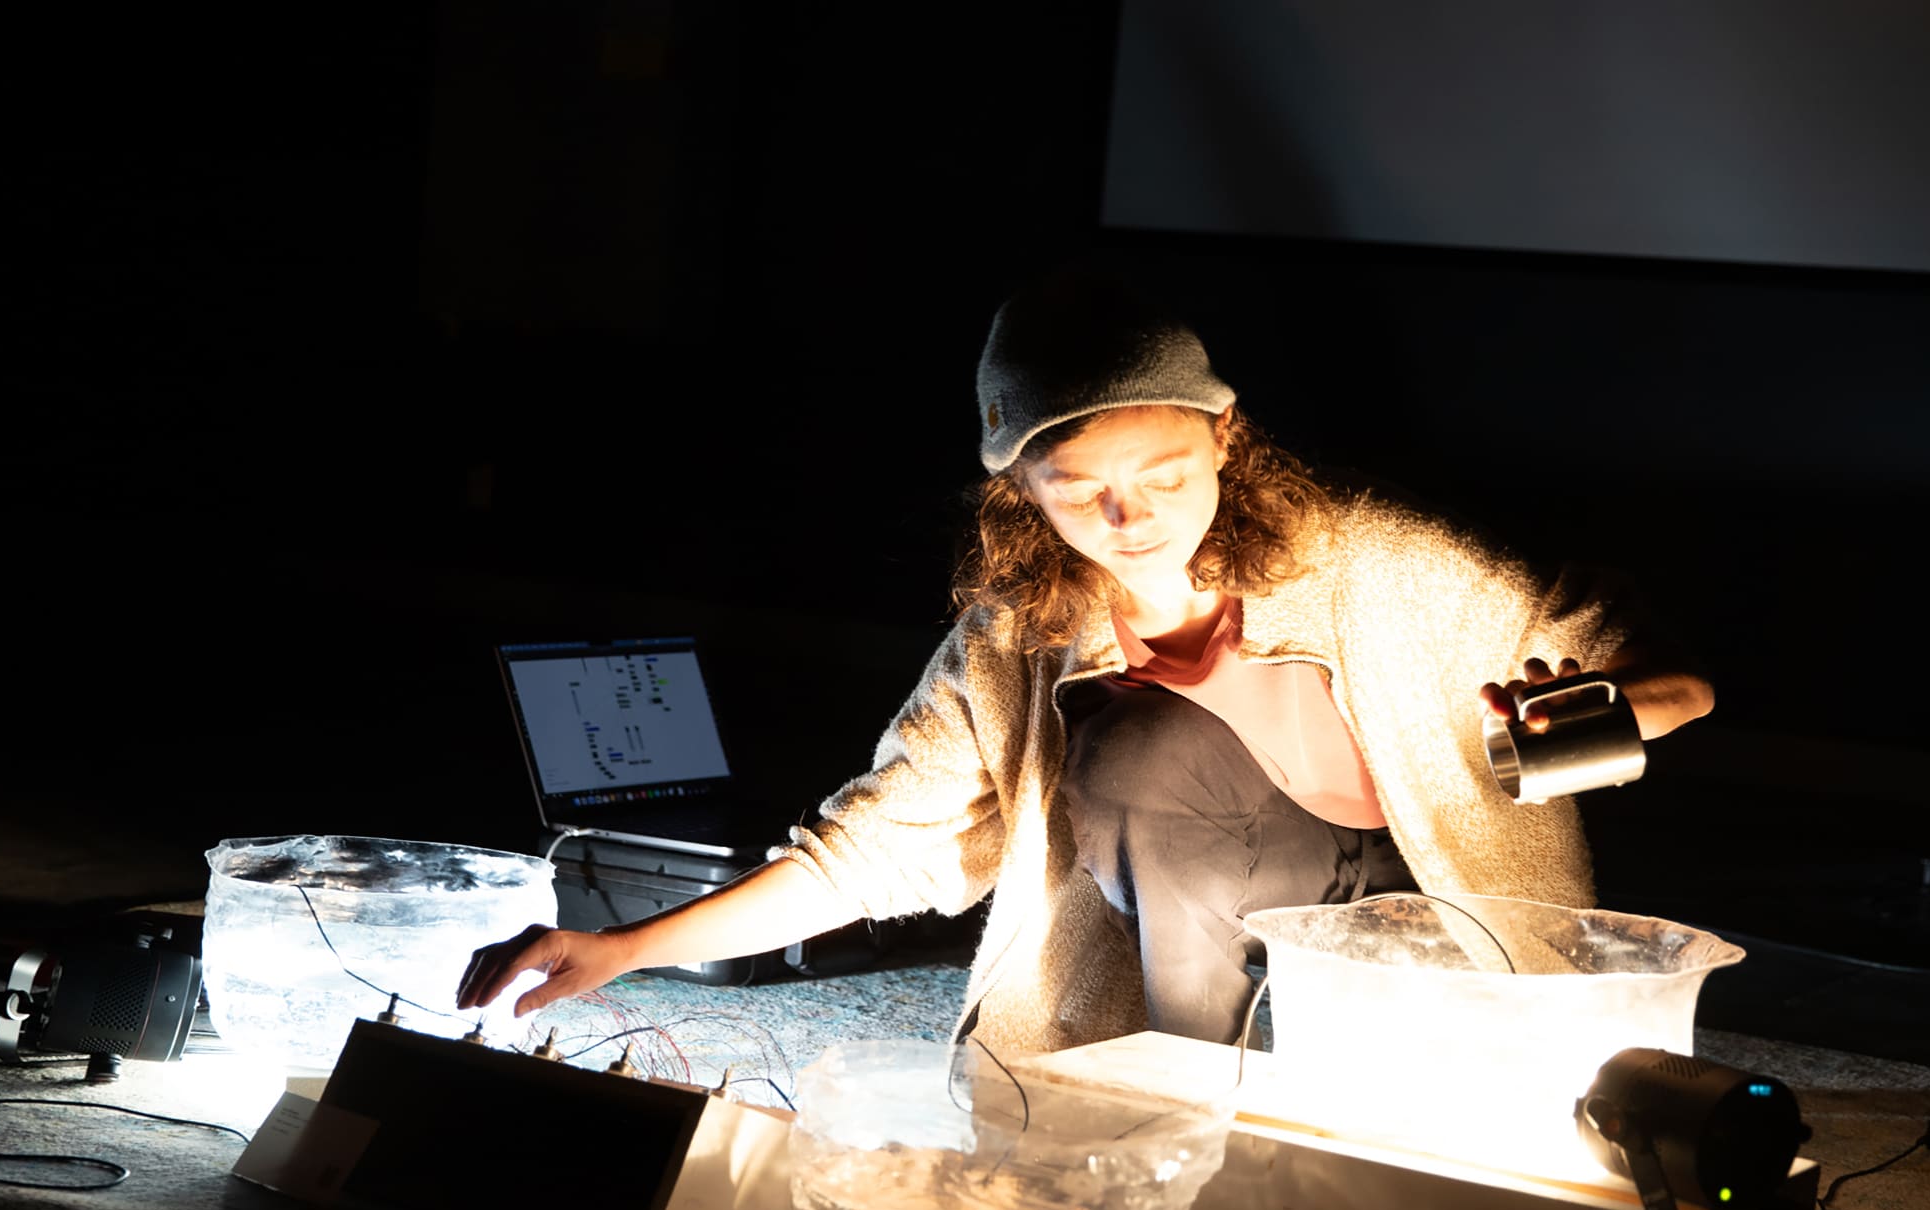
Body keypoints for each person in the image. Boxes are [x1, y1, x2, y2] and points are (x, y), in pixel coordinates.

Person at [456, 270, 1714, 1054]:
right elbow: (880, 843)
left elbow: (1674, 680)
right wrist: (625, 949)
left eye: (1165, 476)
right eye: (1080, 494)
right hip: (1194, 913)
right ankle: (1192, 1076)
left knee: (1165, 755)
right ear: (1020, 493)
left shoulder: (1379, 563)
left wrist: (1582, 724)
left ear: (1225, 436)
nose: (1133, 517)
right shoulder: (1022, 632)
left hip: (1420, 899)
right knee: (1148, 749)